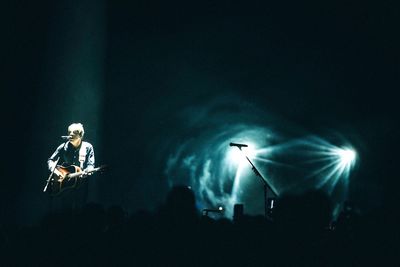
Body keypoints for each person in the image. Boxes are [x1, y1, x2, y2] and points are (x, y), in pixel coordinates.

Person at [47, 123, 95, 210]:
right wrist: (56, 171)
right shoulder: (63, 146)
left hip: (81, 184)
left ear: (81, 135)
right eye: (69, 132)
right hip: (65, 185)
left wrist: (88, 171)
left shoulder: (87, 147)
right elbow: (50, 160)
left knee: (80, 208)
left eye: (74, 132)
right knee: (65, 209)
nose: (71, 134)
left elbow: (90, 165)